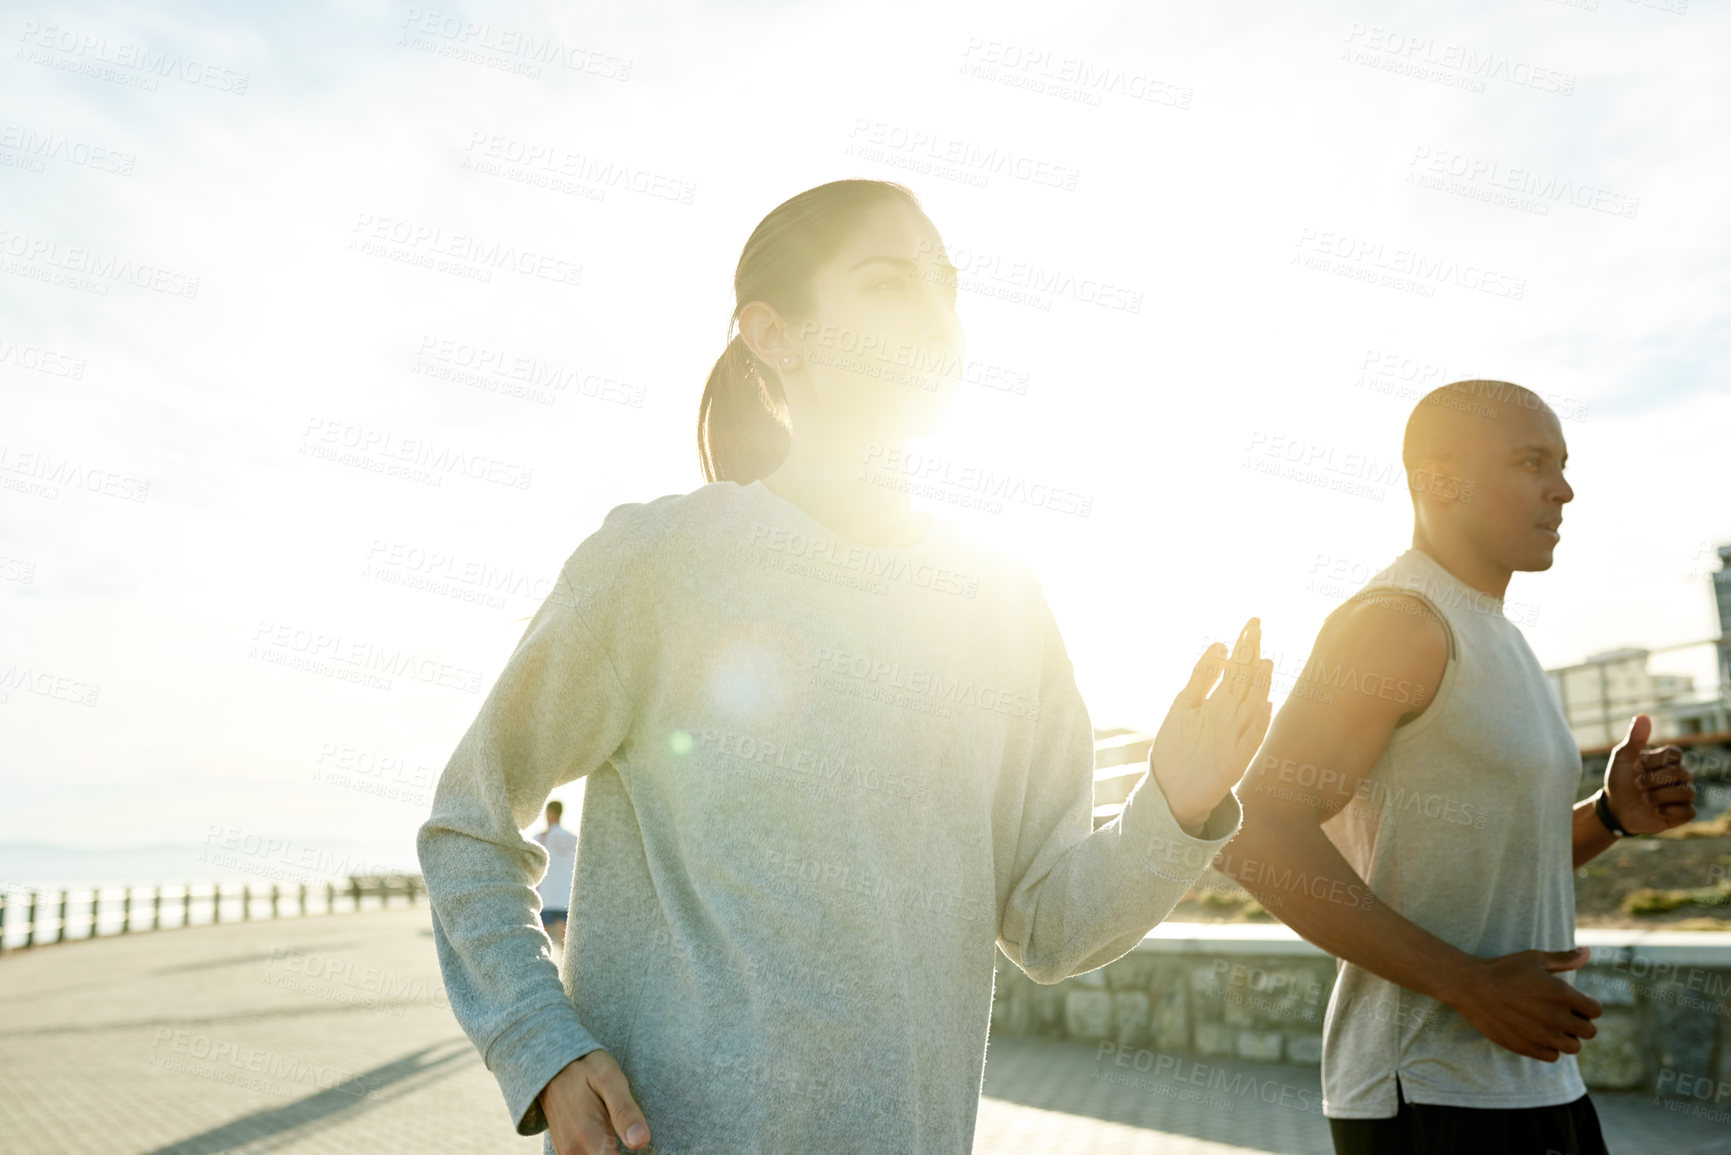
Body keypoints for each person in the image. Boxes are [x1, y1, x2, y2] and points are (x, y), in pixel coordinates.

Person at [415, 178, 1275, 1155]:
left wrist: (1176, 803)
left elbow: (1049, 924)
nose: (936, 314)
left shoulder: (1003, 603)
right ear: (774, 335)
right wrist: (543, 1047)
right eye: (886, 283)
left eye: (946, 284)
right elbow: (469, 823)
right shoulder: (658, 564)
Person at [1220, 380, 1697, 1155]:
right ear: (1435, 480)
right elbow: (1258, 830)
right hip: (1426, 1093)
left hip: (1535, 1082)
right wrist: (1466, 985)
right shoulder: (1399, 621)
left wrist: (1608, 816)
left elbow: (1488, 859)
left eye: (1562, 463)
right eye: (1531, 461)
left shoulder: (1499, 633)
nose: (1563, 489)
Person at [533, 800, 577, 949]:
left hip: (546, 895)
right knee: (564, 943)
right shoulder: (573, 838)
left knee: (541, 944)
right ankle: (567, 971)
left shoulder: (540, 838)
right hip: (566, 896)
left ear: (550, 813)